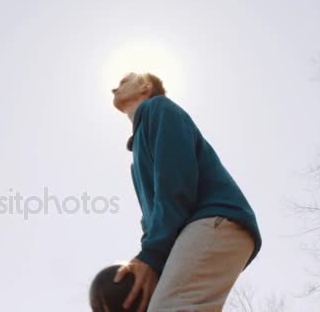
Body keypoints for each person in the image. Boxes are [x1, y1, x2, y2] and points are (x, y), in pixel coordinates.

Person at [109, 72, 262, 311]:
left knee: (171, 307)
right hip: (200, 230)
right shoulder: (137, 153)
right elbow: (151, 220)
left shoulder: (158, 108)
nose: (114, 88)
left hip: (215, 218)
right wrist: (149, 264)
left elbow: (175, 183)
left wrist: (153, 255)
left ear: (145, 87)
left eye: (123, 82)